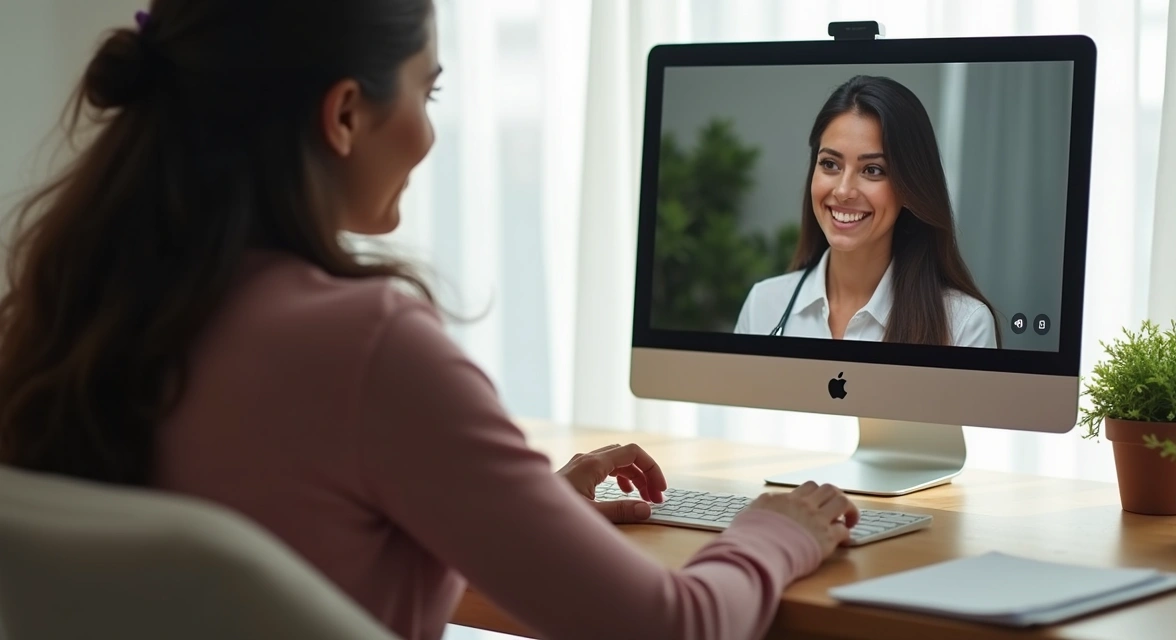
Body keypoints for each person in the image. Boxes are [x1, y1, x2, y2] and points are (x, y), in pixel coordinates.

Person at [0, 2, 861, 639]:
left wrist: (525, 514)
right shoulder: (365, 346)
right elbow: (674, 627)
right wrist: (775, 532)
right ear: (345, 114)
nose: (429, 132)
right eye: (429, 90)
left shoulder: (71, 308)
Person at [735, 75, 1001, 348]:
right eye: (830, 164)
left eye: (872, 170)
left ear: (910, 186)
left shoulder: (965, 325)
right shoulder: (762, 306)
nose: (843, 191)